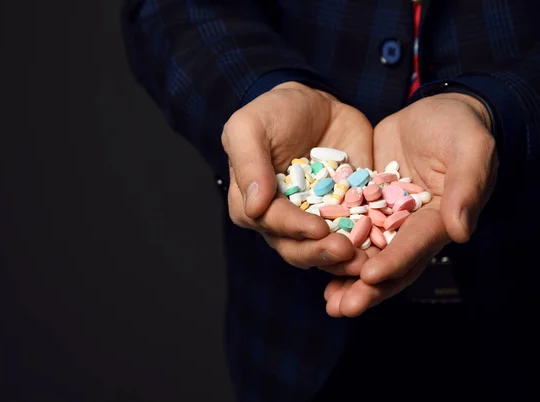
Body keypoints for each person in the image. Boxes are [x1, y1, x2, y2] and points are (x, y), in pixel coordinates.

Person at [121, 1, 539, 400]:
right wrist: (265, 89)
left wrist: (500, 107)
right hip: (294, 336)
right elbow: (172, 8)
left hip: (521, 306)